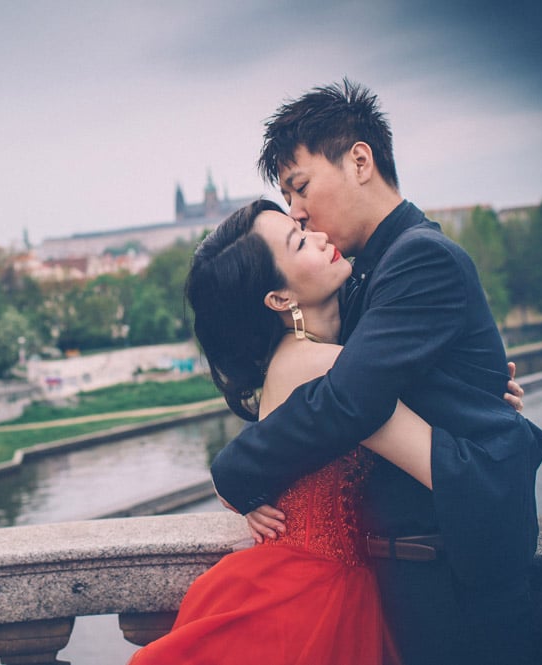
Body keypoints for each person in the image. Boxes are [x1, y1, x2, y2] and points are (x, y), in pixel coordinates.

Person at [209, 80, 542, 665]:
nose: (298, 209)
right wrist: (471, 392)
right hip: (410, 571)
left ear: (360, 160)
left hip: (455, 575)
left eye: (300, 186)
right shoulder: (367, 270)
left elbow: (349, 400)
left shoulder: (418, 255)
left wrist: (234, 468)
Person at [129, 200, 432, 664]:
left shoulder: (307, 357)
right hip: (308, 596)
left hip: (305, 583)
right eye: (299, 242)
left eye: (302, 229)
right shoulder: (320, 365)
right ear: (280, 299)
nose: (321, 237)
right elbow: (438, 430)